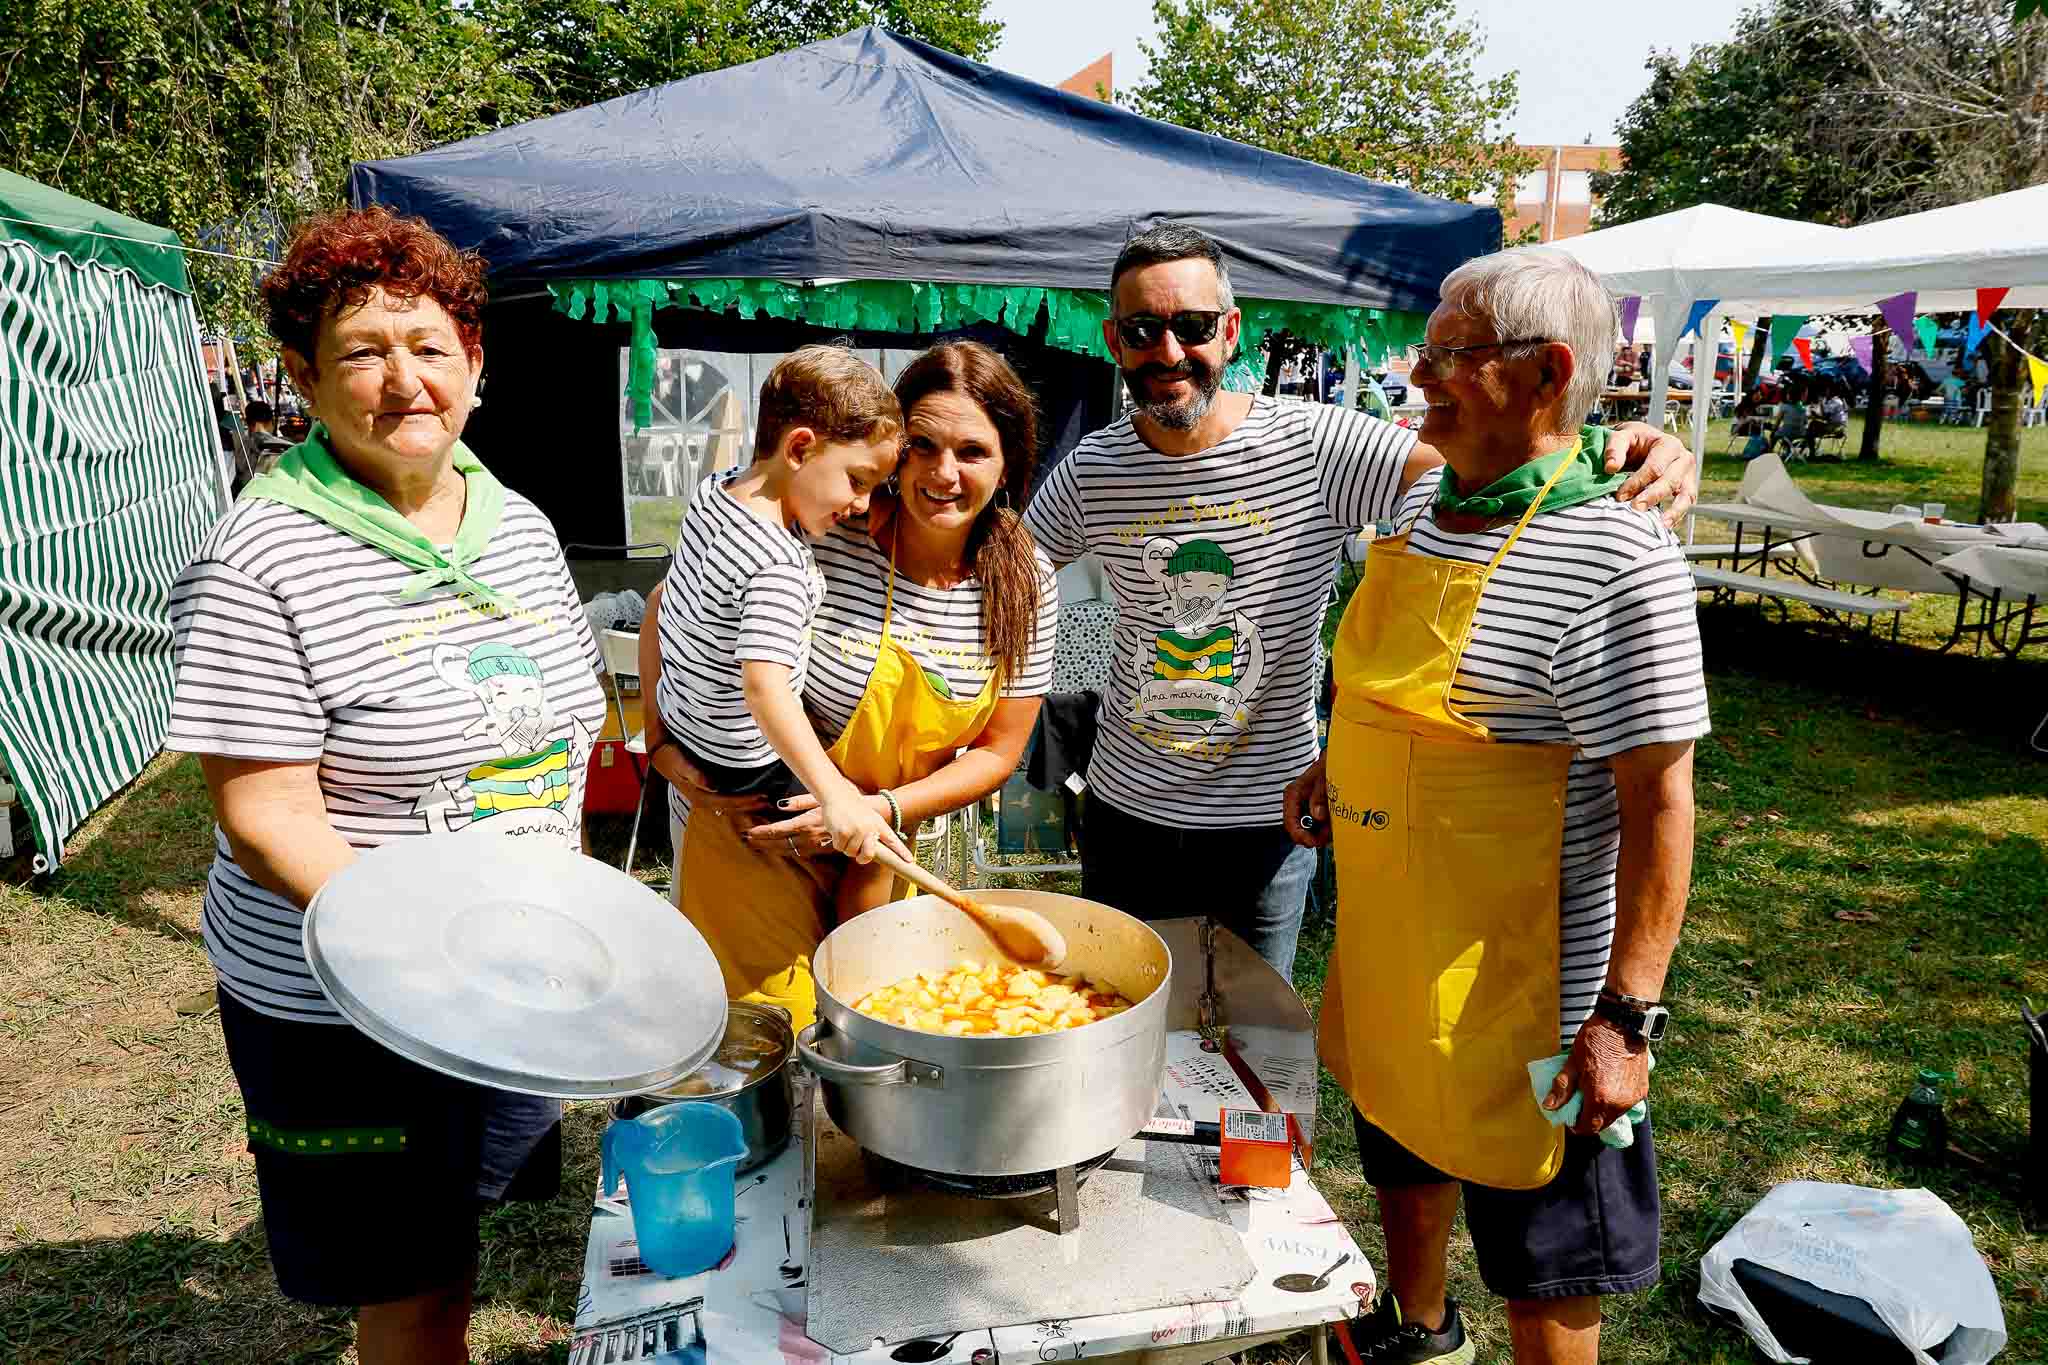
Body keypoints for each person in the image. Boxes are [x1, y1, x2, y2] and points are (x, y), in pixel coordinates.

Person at [164, 205, 609, 1365]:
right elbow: (265, 814)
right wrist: (422, 947)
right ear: (305, 376)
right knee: (406, 1293)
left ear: (476, 363)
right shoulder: (262, 556)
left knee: (454, 1245)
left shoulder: (515, 523)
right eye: (363, 350)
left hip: (507, 968)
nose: (405, 379)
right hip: (351, 999)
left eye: (429, 345)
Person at [1021, 223, 1697, 981]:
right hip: (1127, 815)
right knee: (1114, 1012)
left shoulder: (1317, 444)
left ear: (1231, 330)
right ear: (1115, 339)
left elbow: (1499, 458)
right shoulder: (1096, 467)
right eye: (1144, 329)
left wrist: (1614, 442)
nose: (1169, 351)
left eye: (1193, 325)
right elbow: (1010, 572)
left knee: (1252, 1052)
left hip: (1265, 823)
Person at [1287, 246, 1707, 1365]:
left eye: (1448, 353)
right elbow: (1400, 698)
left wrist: (1624, 1021)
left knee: (1548, 1258)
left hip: (1538, 996)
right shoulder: (1427, 507)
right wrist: (1342, 767)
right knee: (1400, 1145)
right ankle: (1416, 1327)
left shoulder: (1619, 555)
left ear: (1544, 371)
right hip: (1395, 950)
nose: (1416, 373)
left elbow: (1661, 804)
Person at [643, 341, 1061, 1029]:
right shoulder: (828, 524)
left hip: (877, 850)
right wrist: (664, 750)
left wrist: (884, 808)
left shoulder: (1024, 583)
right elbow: (672, 602)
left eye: (973, 452)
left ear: (1010, 459)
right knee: (760, 1044)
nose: (942, 472)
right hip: (756, 835)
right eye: (922, 446)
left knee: (861, 1040)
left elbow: (998, 750)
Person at [652, 344, 910, 931]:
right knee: (877, 845)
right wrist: (838, 795)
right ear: (799, 448)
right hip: (744, 761)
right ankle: (858, 958)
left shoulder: (713, 492)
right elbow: (766, 688)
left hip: (689, 733)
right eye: (858, 480)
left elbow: (669, 600)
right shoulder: (780, 567)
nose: (864, 505)